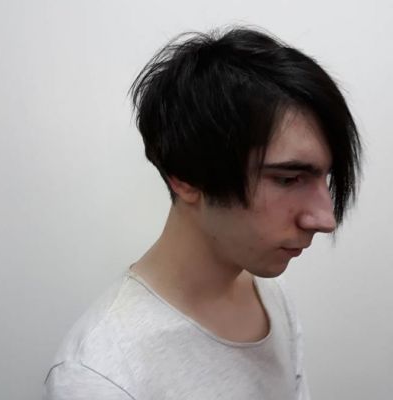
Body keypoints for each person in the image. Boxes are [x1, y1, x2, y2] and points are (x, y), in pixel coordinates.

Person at [44, 26, 362, 399]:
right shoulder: (100, 376)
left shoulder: (272, 297)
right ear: (186, 176)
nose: (325, 219)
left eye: (325, 177)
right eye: (289, 178)